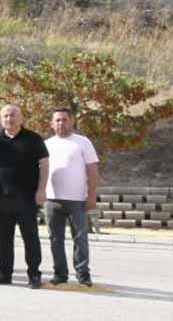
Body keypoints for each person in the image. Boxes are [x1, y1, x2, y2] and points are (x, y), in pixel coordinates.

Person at [0, 104, 49, 289]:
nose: (9, 119)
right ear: (1, 119)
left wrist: (41, 190)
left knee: (30, 237)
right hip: (2, 198)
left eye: (12, 115)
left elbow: (44, 165)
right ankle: (5, 274)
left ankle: (34, 274)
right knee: (4, 238)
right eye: (5, 116)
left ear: (21, 118)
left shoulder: (33, 139)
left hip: (27, 198)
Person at [44, 108, 98, 287]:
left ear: (71, 121)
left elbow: (92, 169)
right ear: (52, 124)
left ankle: (83, 274)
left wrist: (91, 195)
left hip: (77, 199)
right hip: (52, 199)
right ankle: (60, 273)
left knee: (80, 238)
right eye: (57, 120)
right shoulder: (47, 144)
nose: (61, 123)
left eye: (64, 119)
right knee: (55, 238)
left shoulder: (82, 142)